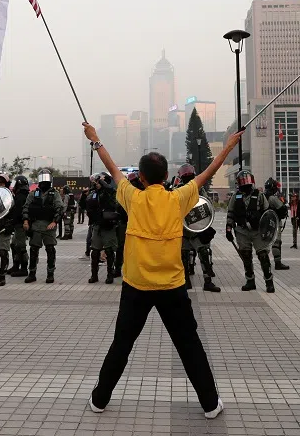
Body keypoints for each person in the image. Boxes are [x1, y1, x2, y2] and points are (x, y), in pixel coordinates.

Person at [84, 121, 242, 419]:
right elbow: (207, 173)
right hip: (172, 287)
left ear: (141, 178)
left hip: (136, 287)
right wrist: (229, 146)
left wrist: (95, 139)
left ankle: (99, 400)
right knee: (189, 345)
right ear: (167, 176)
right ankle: (210, 405)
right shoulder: (179, 198)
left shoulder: (133, 197)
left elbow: (113, 168)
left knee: (122, 344)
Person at [227, 171, 275, 293]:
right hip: (242, 231)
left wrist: (267, 228)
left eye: (246, 180)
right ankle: (250, 281)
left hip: (257, 231)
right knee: (246, 256)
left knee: (263, 256)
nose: (245, 183)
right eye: (242, 181)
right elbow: (231, 213)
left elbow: (267, 213)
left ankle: (269, 282)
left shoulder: (259, 195)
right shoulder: (236, 196)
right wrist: (228, 228)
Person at [176, 164, 221, 292]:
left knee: (204, 252)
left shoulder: (199, 189)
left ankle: (208, 281)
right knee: (183, 256)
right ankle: (185, 281)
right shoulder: (177, 190)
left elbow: (206, 205)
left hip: (197, 229)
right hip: (183, 230)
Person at [23, 169, 63, 283]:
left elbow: (59, 209)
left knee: (50, 250)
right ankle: (32, 273)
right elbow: (26, 208)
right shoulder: (33, 194)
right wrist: (26, 221)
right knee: (33, 250)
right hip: (35, 226)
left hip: (49, 227)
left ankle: (50, 273)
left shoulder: (54, 194)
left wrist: (54, 222)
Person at [87, 172, 119, 284]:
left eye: (99, 181)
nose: (97, 183)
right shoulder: (93, 193)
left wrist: (103, 183)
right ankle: (94, 275)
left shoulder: (110, 192)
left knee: (109, 251)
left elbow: (112, 196)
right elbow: (86, 205)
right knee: (94, 252)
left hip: (108, 226)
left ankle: (110, 274)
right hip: (97, 225)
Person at [263, 178, 290, 272]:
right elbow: (282, 208)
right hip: (275, 222)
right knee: (276, 243)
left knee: (265, 243)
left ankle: (265, 262)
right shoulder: (272, 198)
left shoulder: (263, 196)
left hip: (265, 223)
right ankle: (278, 263)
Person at [7, 176, 31, 277]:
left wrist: (12, 221)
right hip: (18, 224)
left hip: (20, 225)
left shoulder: (21, 196)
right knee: (14, 245)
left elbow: (18, 212)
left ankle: (24, 268)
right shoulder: (22, 195)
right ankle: (16, 265)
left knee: (20, 246)